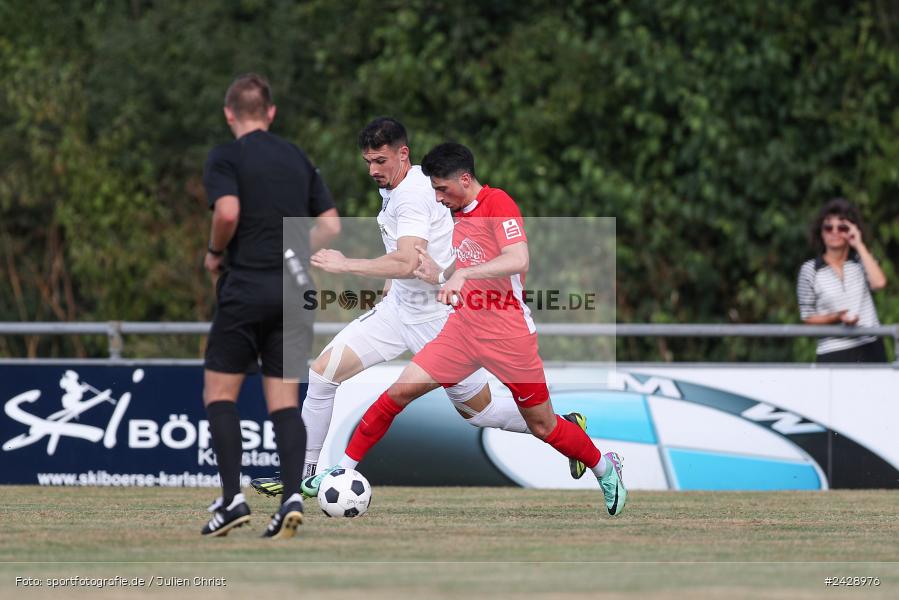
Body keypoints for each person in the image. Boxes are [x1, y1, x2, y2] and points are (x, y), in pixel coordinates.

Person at [250, 118, 586, 500]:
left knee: (480, 413)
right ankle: (299, 477)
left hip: (438, 319)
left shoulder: (411, 194)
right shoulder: (397, 189)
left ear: (403, 154)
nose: (374, 169)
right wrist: (388, 289)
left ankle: (566, 428)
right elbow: (408, 253)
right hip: (398, 312)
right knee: (324, 376)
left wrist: (347, 265)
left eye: (380, 160)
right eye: (368, 162)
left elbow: (409, 260)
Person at [301, 142, 627, 517]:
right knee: (395, 397)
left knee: (543, 425)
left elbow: (518, 258)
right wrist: (438, 274)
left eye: (442, 189)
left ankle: (605, 467)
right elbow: (465, 266)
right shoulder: (457, 213)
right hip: (462, 330)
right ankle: (343, 473)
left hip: (508, 336)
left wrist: (463, 274)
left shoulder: (497, 203)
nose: (437, 198)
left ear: (465, 179)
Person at [200, 73, 341, 538]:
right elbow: (331, 224)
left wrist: (216, 253)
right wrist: (295, 247)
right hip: (294, 289)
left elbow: (227, 212)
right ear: (271, 112)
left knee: (220, 395)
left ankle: (231, 500)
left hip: (246, 285)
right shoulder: (295, 156)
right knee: (284, 401)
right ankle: (292, 499)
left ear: (229, 114)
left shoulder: (226, 156)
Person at [797, 198, 888, 363]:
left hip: (870, 345)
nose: (835, 231)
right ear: (821, 232)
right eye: (828, 227)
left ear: (852, 230)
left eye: (842, 227)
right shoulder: (810, 269)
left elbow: (879, 283)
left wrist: (859, 244)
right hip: (833, 351)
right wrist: (836, 318)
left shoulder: (861, 261)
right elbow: (808, 318)